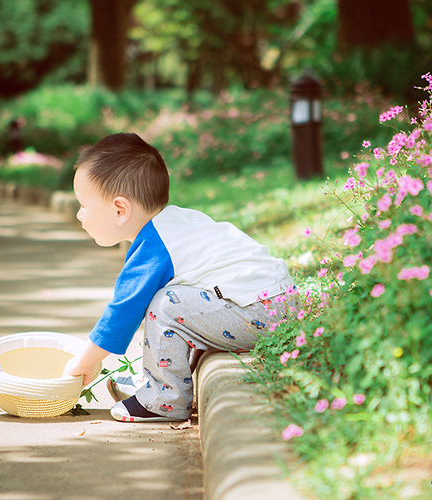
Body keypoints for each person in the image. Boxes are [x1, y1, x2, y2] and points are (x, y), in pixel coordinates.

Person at [63, 133, 295, 422]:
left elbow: (122, 313)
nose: (79, 215)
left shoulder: (154, 246)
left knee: (166, 306)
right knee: (180, 301)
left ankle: (165, 400)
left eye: (83, 205)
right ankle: (160, 382)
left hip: (260, 311)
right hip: (278, 304)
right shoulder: (177, 223)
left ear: (121, 210)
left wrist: (83, 363)